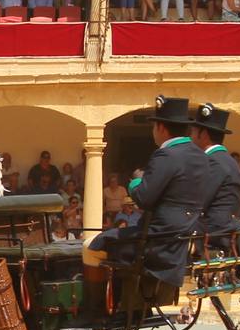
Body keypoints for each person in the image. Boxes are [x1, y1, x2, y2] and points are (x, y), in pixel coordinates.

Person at [88, 96, 207, 288]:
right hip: (183, 234)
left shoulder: (166, 154)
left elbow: (143, 198)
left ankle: (102, 306)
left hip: (157, 238)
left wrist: (136, 181)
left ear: (160, 128)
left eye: (154, 126)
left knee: (93, 245)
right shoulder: (200, 156)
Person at [191, 104, 240, 255]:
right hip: (225, 230)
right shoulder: (228, 161)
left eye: (194, 131)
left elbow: (199, 201)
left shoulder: (213, 162)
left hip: (213, 232)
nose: (191, 136)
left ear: (203, 134)